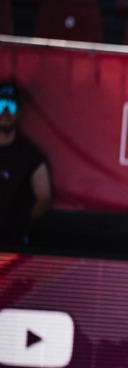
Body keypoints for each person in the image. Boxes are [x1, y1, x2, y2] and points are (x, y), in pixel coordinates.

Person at [0, 81, 52, 247]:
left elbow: (44, 197)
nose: (6, 111)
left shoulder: (30, 156)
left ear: (19, 111)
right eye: (1, 104)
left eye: (11, 106)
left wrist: (19, 224)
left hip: (12, 248)